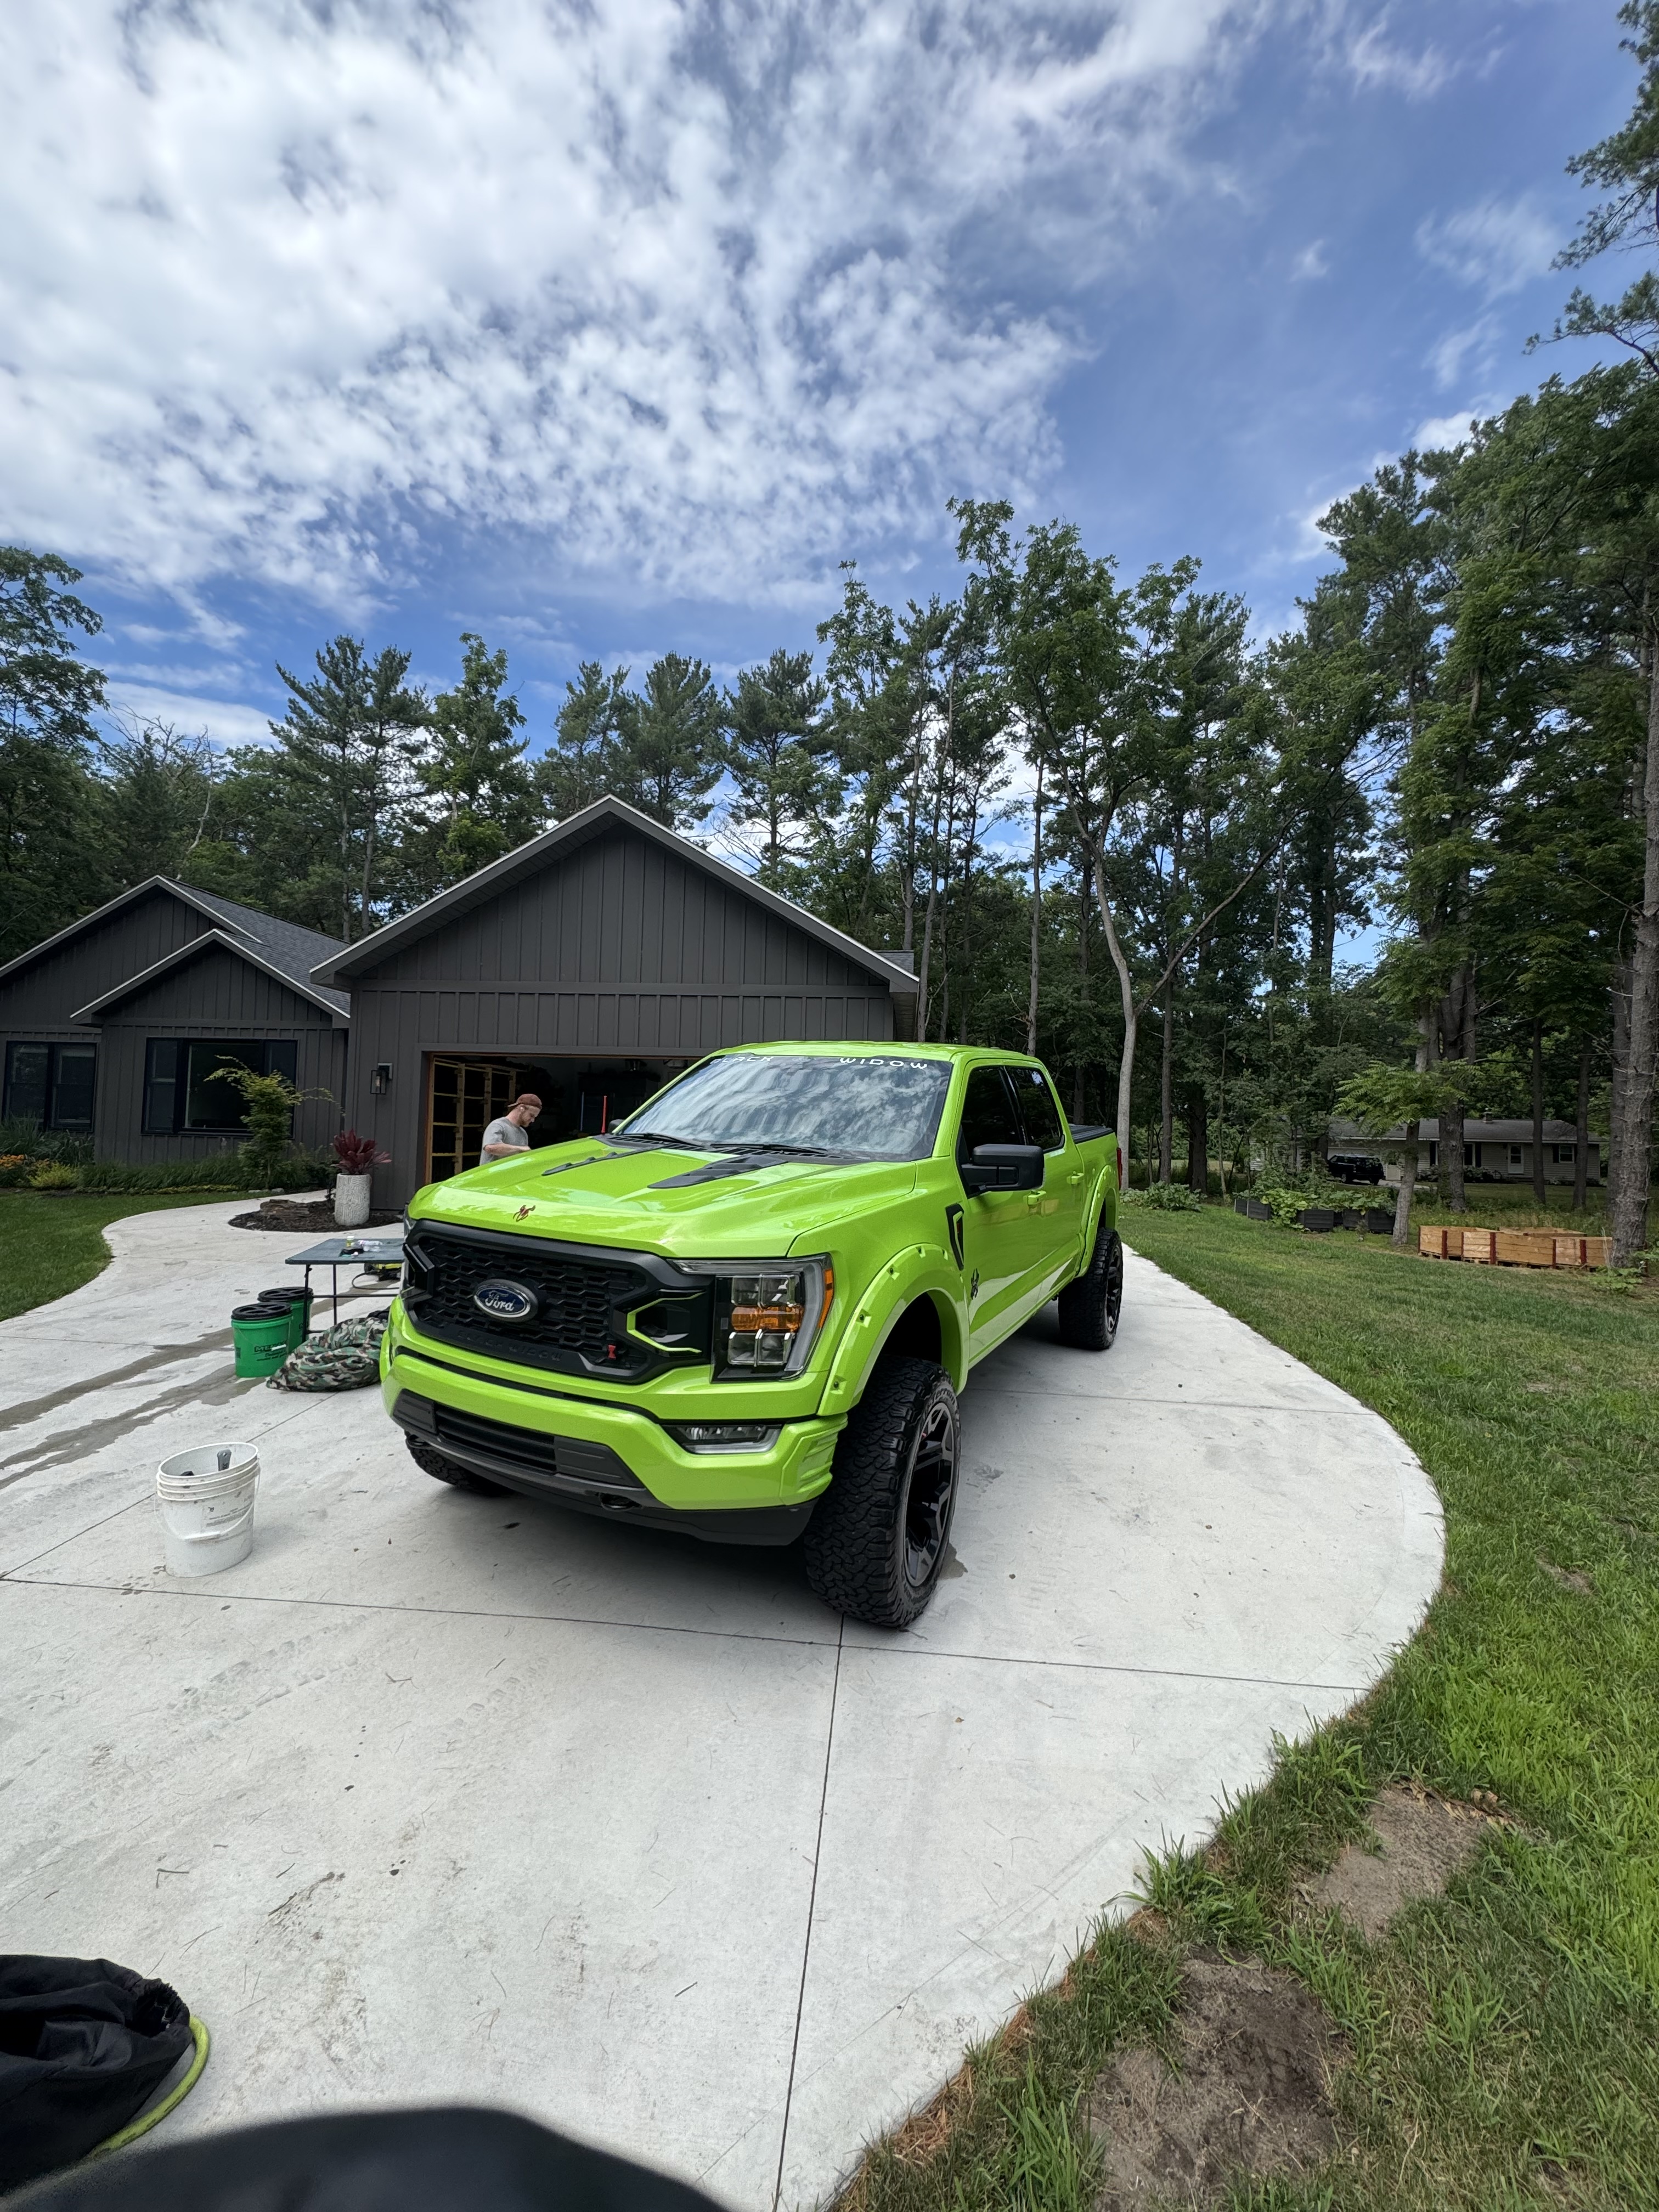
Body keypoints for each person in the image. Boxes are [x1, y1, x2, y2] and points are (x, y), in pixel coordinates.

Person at [478, 1093, 542, 1166]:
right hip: (492, 1176)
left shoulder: (523, 1133)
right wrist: (521, 1149)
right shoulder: (498, 1125)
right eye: (532, 1115)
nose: (533, 1120)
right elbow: (491, 1148)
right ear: (522, 1108)